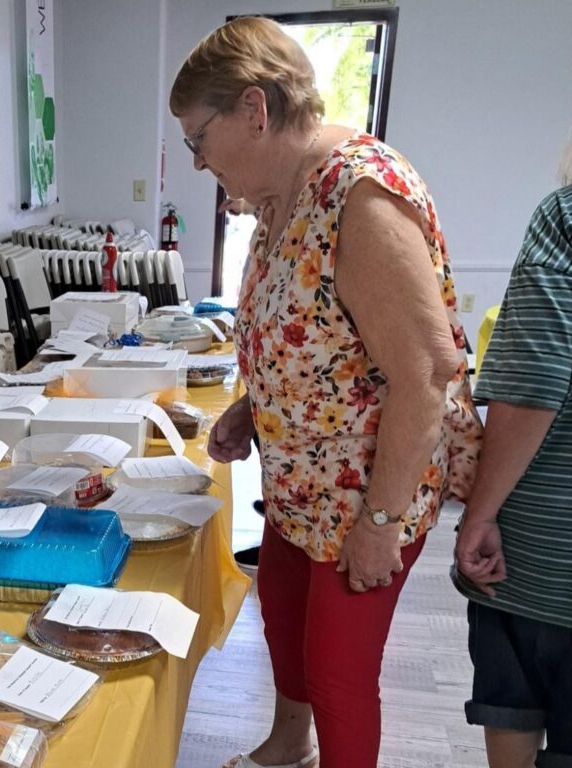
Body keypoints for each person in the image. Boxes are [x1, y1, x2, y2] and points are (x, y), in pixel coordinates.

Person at [169, 17, 482, 768]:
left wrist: (379, 522)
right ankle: (286, 748)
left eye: (197, 139)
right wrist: (254, 406)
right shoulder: (279, 194)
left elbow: (426, 375)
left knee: (340, 675)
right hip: (300, 482)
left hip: (368, 490)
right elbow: (315, 335)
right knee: (284, 625)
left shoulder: (360, 195)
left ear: (254, 108)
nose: (197, 160)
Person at [454, 141, 572, 768]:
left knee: (515, 699)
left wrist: (480, 512)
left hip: (546, 557)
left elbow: (535, 380)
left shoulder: (565, 217)